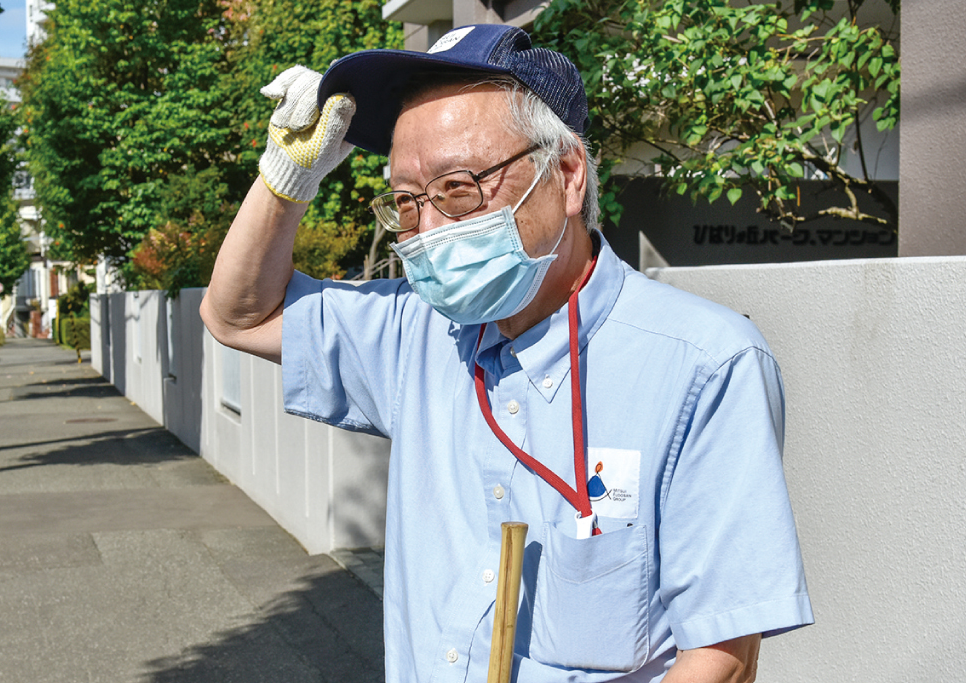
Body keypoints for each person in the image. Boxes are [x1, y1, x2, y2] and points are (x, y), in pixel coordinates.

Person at [201, 23, 813, 683]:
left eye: (458, 189)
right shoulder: (414, 332)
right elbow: (239, 313)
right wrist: (287, 175)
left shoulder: (703, 364)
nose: (428, 231)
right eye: (407, 203)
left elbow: (721, 654)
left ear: (568, 174)